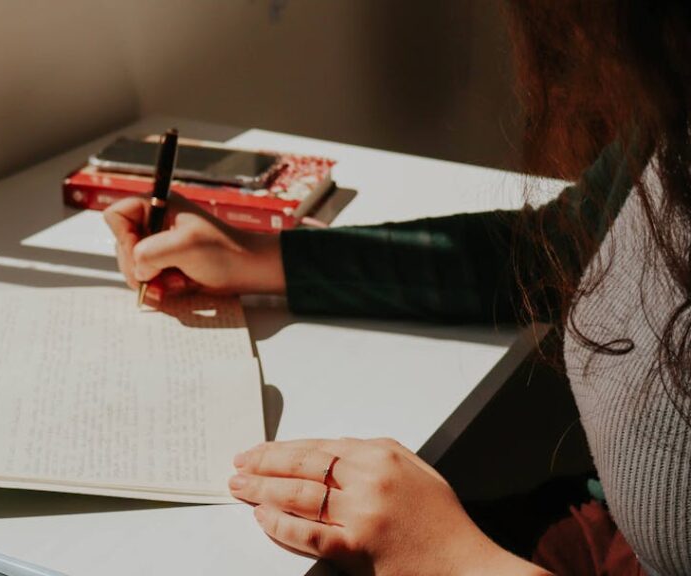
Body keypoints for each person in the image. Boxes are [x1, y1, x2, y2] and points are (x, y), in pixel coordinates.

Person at [104, 1, 690, 574]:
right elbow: (556, 249)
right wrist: (256, 258)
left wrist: (456, 558)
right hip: (607, 534)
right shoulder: (674, 94)